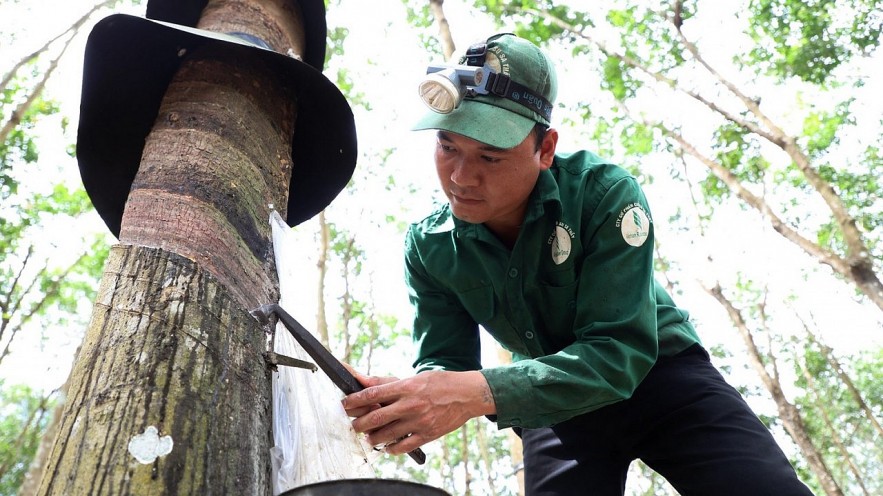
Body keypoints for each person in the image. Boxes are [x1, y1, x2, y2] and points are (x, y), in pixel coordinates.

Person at [342, 33, 814, 495]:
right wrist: (412, 396)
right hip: (548, 403)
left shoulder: (603, 195)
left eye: (490, 155)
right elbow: (447, 362)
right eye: (448, 147)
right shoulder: (430, 246)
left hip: (660, 378)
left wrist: (474, 393)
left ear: (545, 149)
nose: (461, 178)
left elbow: (617, 354)